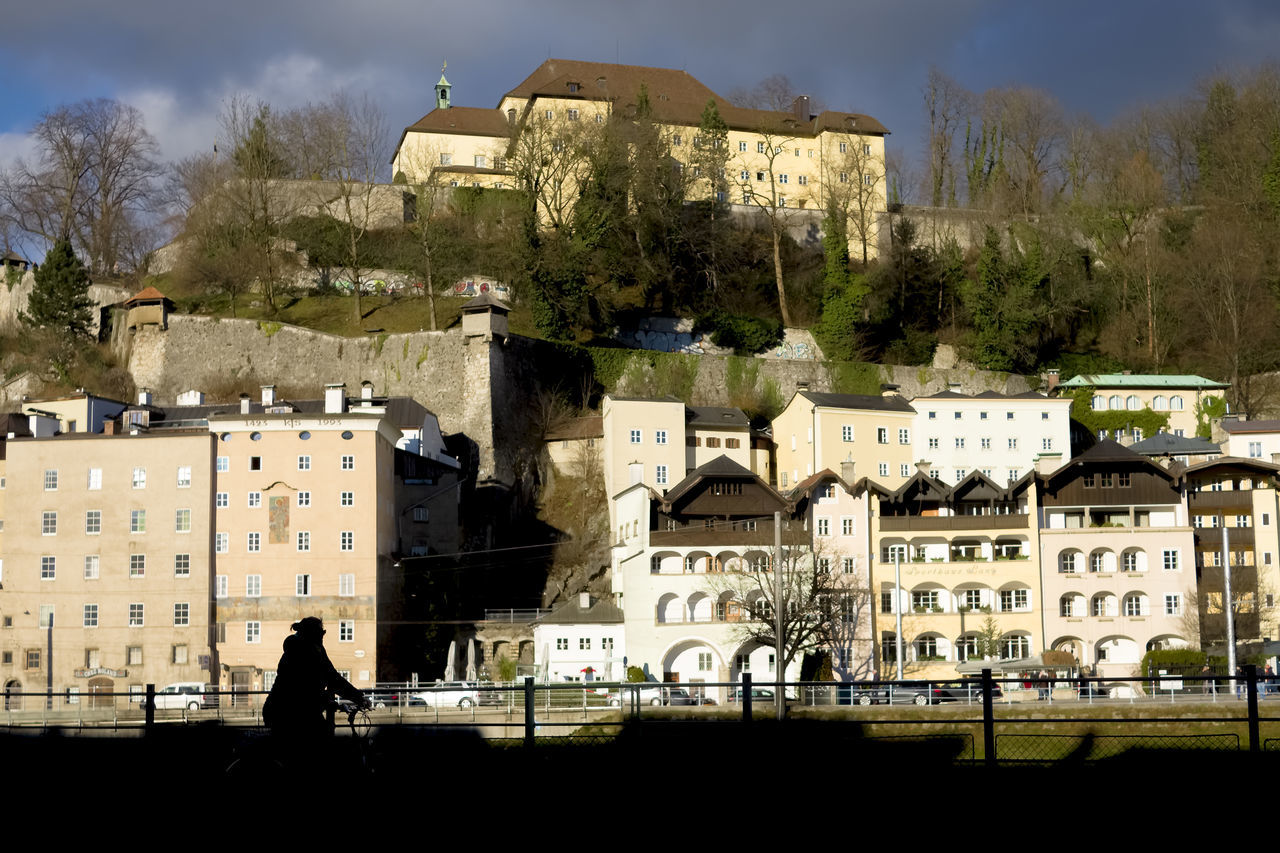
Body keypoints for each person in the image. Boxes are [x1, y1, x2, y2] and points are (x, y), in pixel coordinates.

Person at [263, 617, 367, 762]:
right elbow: (305, 687)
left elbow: (329, 677)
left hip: (291, 710)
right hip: (288, 712)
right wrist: (355, 697)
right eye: (321, 633)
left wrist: (354, 697)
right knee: (316, 746)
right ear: (312, 633)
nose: (323, 637)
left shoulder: (313, 649)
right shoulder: (301, 652)